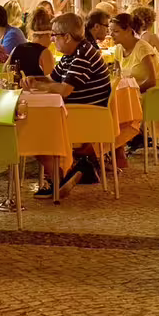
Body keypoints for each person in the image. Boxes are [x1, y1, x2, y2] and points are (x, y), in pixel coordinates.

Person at [29, 13, 112, 197]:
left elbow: (64, 90)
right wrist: (33, 78)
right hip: (79, 111)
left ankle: (61, 177)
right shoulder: (71, 54)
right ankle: (74, 168)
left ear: (66, 36)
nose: (52, 40)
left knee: (31, 130)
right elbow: (52, 79)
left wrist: (38, 85)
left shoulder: (83, 54)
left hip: (86, 116)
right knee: (32, 125)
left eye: (55, 35)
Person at [110, 12, 159, 91]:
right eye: (110, 31)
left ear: (129, 31)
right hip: (131, 92)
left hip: (150, 93)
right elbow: (117, 75)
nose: (111, 34)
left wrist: (130, 91)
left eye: (116, 31)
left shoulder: (142, 48)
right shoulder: (119, 48)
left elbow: (152, 82)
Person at [9, 8, 55, 82]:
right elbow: (52, 82)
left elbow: (5, 72)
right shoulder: (45, 53)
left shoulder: (16, 48)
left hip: (17, 92)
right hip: (37, 92)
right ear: (49, 35)